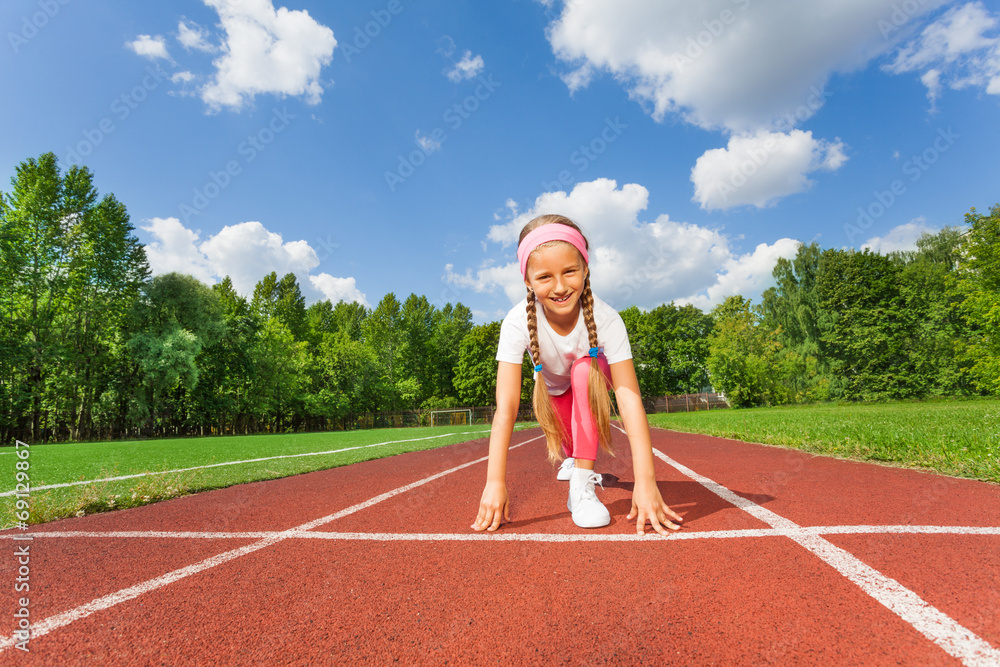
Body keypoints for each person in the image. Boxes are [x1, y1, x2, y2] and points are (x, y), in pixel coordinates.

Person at [470, 214, 684, 535]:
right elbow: (507, 407)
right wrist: (494, 483)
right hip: (553, 390)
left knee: (584, 369)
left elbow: (628, 400)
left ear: (585, 269)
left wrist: (646, 481)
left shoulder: (607, 318)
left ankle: (581, 488)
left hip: (591, 379)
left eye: (570, 271)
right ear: (527, 281)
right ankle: (572, 459)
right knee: (568, 441)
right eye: (544, 276)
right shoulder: (516, 323)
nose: (559, 287)